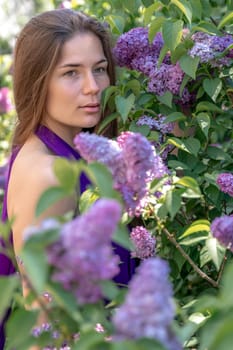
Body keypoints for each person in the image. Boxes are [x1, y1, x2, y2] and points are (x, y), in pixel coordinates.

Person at [0, 8, 135, 349]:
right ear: (38, 80)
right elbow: (43, 329)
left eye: (100, 69)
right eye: (71, 73)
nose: (93, 87)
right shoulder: (50, 175)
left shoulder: (66, 151)